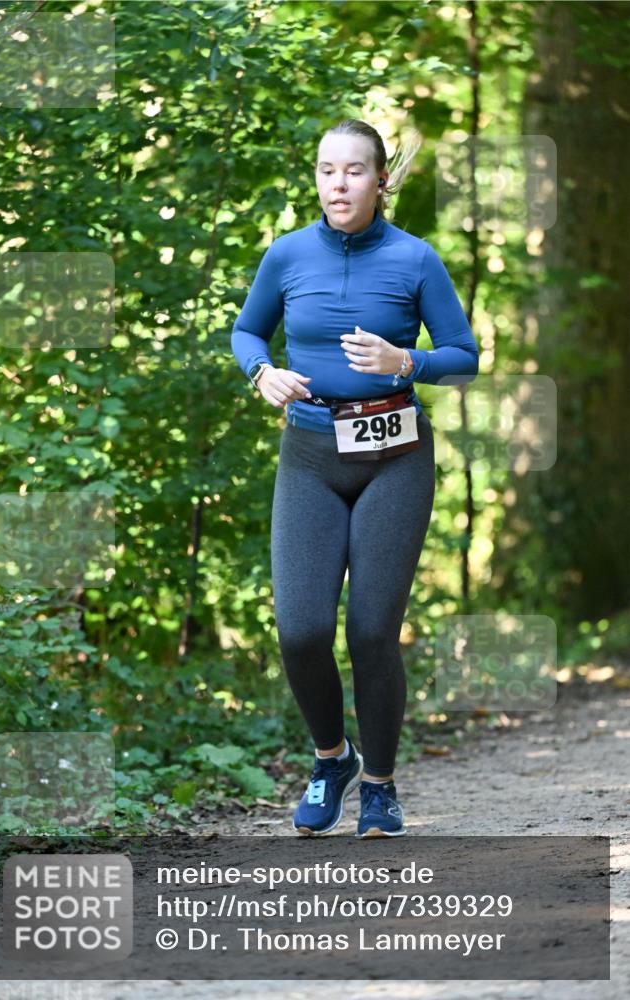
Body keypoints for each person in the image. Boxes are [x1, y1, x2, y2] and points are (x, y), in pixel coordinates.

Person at [231, 118, 478, 837]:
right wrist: (261, 372)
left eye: (354, 171)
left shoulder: (415, 259)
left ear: (381, 181)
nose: (338, 184)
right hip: (310, 456)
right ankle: (332, 759)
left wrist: (408, 362)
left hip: (396, 457)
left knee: (372, 632)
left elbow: (464, 357)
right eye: (326, 170)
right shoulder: (287, 254)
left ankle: (379, 786)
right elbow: (247, 330)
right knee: (301, 630)